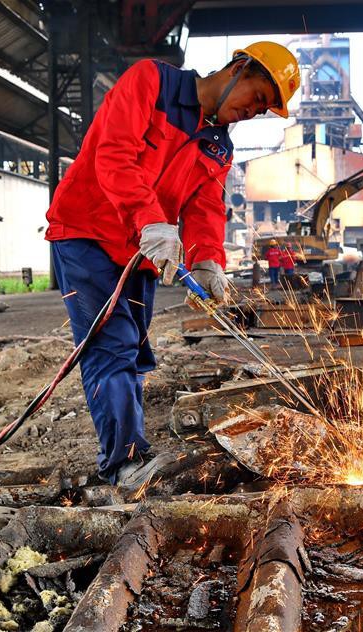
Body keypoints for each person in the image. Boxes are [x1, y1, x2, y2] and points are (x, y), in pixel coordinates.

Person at [44, 42, 300, 487]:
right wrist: (153, 222)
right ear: (239, 68)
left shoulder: (218, 147)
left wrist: (207, 262)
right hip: (86, 231)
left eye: (264, 111)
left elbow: (205, 209)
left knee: (134, 354)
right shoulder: (151, 82)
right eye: (258, 98)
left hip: (141, 252)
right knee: (113, 344)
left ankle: (130, 451)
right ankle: (123, 464)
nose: (253, 112)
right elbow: (114, 154)